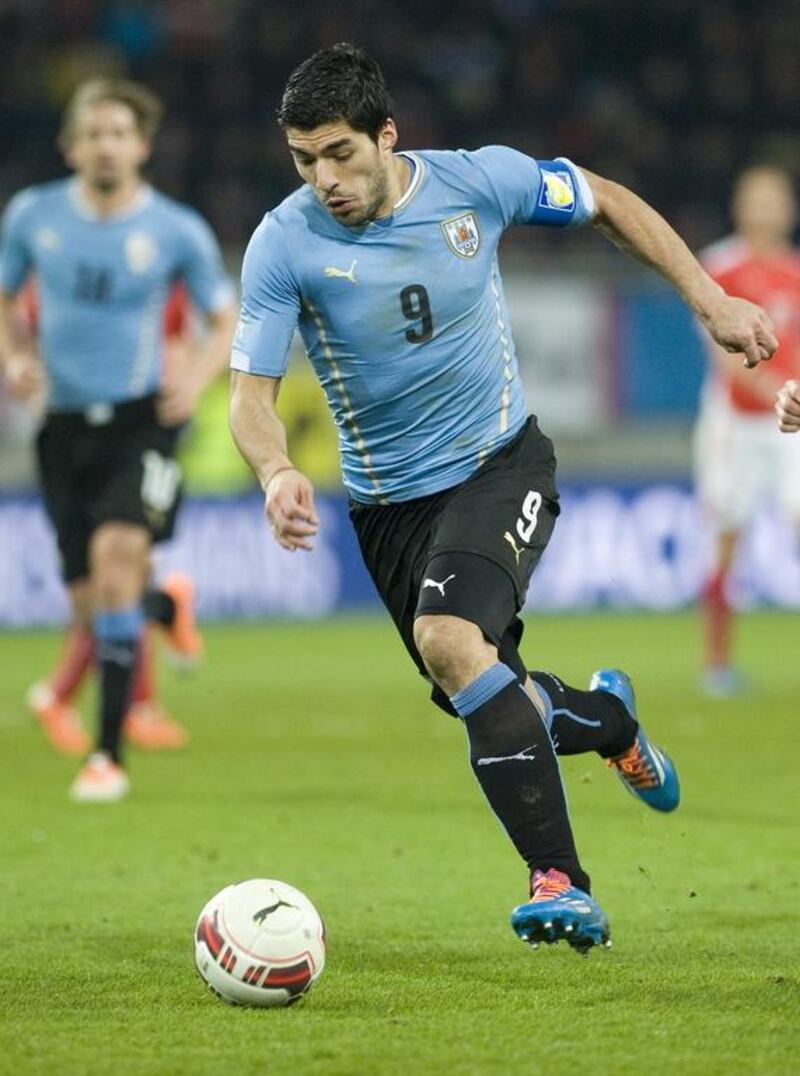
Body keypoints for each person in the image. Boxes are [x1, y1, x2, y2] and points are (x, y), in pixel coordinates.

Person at [228, 44, 777, 953]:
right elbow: (249, 394)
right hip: (387, 511)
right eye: (303, 160)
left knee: (450, 641)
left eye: (339, 154)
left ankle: (561, 883)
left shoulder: (479, 183)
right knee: (487, 688)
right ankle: (608, 718)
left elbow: (608, 200)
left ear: (386, 136)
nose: (324, 179)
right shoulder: (283, 243)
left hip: (498, 463)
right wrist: (277, 471)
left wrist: (708, 299)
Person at [0, 78, 237, 801]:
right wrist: (14, 355)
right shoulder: (33, 216)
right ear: (72, 146)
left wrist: (194, 379)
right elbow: (6, 297)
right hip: (62, 427)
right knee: (89, 606)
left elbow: (224, 316)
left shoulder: (174, 229)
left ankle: (106, 756)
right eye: (92, 133)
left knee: (112, 569)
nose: (105, 145)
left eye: (118, 133)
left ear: (141, 145)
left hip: (143, 423)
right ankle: (163, 605)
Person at [15, 279, 203, 755]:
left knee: (123, 568)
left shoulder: (155, 266)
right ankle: (162, 613)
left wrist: (185, 392)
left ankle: (121, 705)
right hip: (77, 437)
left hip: (142, 432)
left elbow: (181, 343)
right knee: (109, 586)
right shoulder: (55, 278)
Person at [693, 166, 800, 696]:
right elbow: (728, 360)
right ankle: (717, 665)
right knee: (726, 538)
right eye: (757, 199)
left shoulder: (797, 271)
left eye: (775, 199)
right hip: (733, 424)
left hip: (790, 427)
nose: (767, 210)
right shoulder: (719, 267)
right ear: (740, 205)